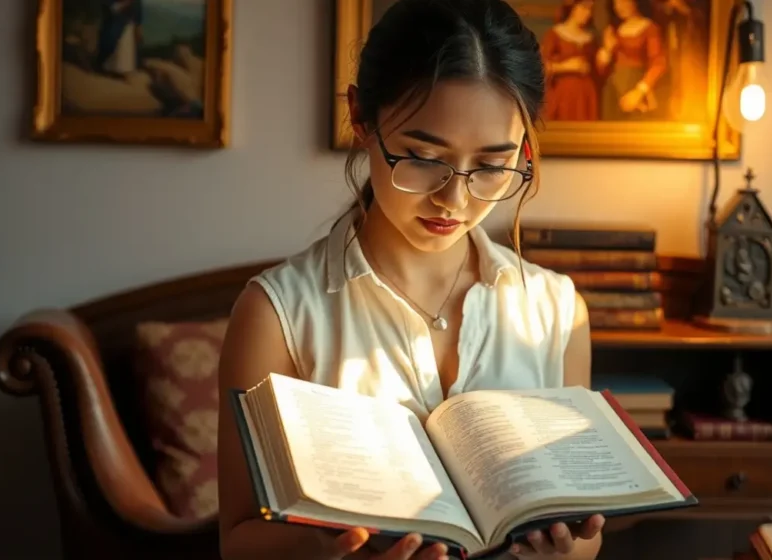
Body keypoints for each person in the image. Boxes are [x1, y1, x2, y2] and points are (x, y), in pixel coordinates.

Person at [216, 0, 605, 558]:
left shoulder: (556, 311)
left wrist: (561, 547)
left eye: (493, 166)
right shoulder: (277, 316)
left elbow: (588, 542)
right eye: (423, 157)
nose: (455, 199)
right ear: (362, 119)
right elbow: (238, 540)